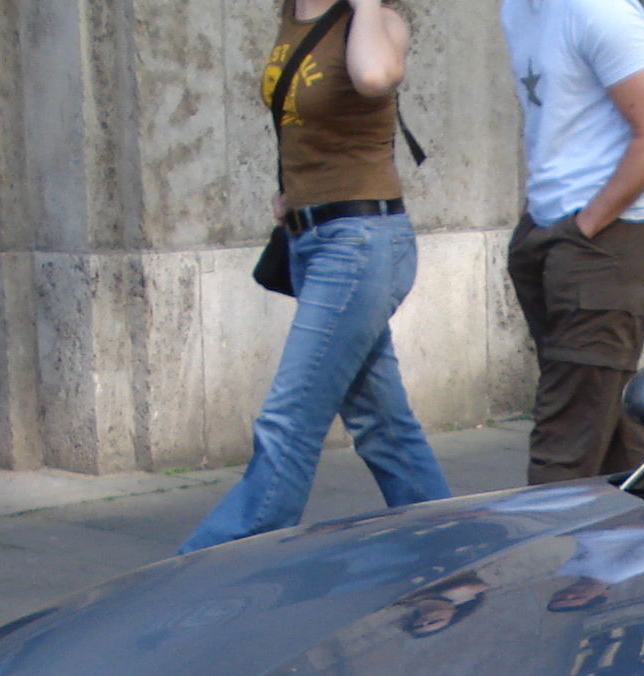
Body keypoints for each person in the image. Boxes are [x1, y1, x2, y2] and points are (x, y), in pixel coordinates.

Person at [181, 0, 450, 554]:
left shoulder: (377, 21)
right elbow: (303, 124)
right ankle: (453, 556)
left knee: (288, 427)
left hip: (361, 245)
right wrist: (294, 195)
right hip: (313, 242)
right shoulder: (292, 14)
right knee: (385, 429)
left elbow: (375, 77)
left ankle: (200, 574)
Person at [498, 0, 644, 487]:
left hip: (608, 241)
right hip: (550, 235)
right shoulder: (516, 9)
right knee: (613, 419)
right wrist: (540, 222)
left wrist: (586, 224)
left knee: (564, 444)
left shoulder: (599, 10)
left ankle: (544, 555)